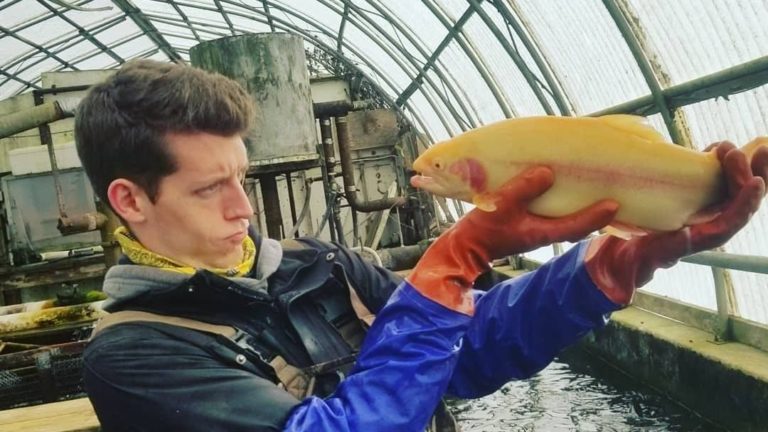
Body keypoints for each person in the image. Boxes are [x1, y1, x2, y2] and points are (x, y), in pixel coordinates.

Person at [75, 59, 768, 432]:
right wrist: (450, 261)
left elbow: (464, 353)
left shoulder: (321, 270)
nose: (240, 207)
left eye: (241, 178)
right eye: (206, 190)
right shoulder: (135, 357)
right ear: (130, 201)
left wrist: (616, 261)